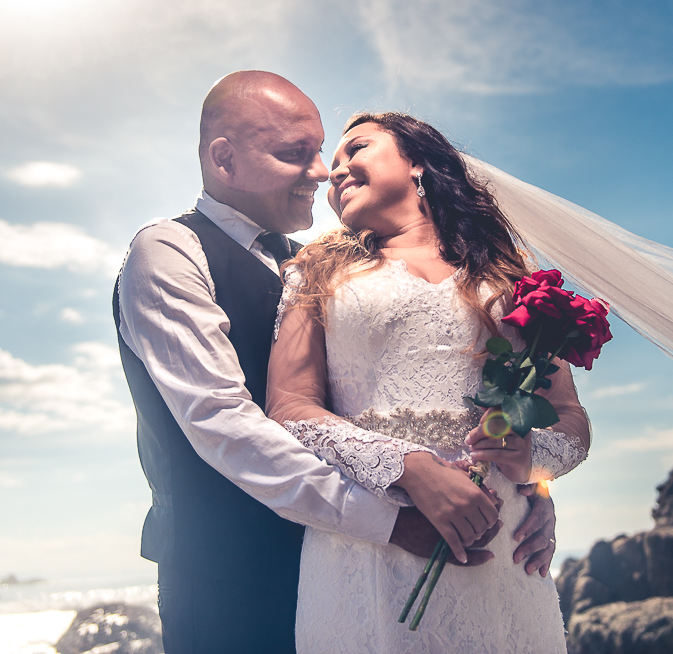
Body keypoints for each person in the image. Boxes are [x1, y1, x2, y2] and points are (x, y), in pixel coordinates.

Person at [115, 74, 561, 654]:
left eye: (322, 150)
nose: (322, 171)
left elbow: (462, 389)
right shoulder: (169, 252)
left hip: (343, 563)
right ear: (224, 160)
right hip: (231, 579)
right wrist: (393, 520)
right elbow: (222, 422)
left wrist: (530, 486)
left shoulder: (321, 266)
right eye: (295, 153)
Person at [268, 112, 592, 653]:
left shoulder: (509, 277)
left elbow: (569, 418)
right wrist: (407, 467)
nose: (335, 171)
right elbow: (288, 406)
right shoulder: (316, 269)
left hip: (503, 548)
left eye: (356, 149)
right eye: (334, 162)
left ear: (417, 161)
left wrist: (532, 462)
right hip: (372, 547)